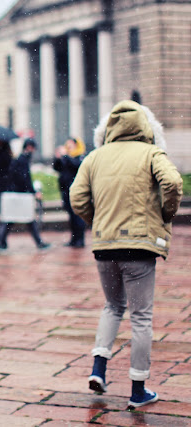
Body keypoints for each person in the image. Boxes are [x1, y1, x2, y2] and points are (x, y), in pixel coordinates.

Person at [70, 100, 182, 409]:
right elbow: (173, 182)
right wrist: (165, 213)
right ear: (145, 126)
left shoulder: (95, 157)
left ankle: (98, 369)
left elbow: (77, 197)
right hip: (138, 246)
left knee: (112, 306)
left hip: (105, 246)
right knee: (141, 316)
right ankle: (137, 390)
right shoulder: (151, 153)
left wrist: (97, 222)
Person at [0, 138, 50, 251]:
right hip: (20, 195)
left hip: (17, 193)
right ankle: (38, 242)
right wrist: (33, 191)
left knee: (12, 219)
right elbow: (25, 178)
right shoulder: (23, 160)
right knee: (26, 219)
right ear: (29, 147)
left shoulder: (21, 159)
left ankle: (1, 241)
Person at [53, 136, 86, 247]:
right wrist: (58, 158)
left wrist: (66, 156)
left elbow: (75, 165)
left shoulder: (79, 156)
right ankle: (74, 239)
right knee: (71, 216)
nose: (68, 147)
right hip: (66, 190)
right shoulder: (67, 158)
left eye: (71, 144)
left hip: (76, 191)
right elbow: (57, 168)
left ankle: (80, 240)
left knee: (78, 216)